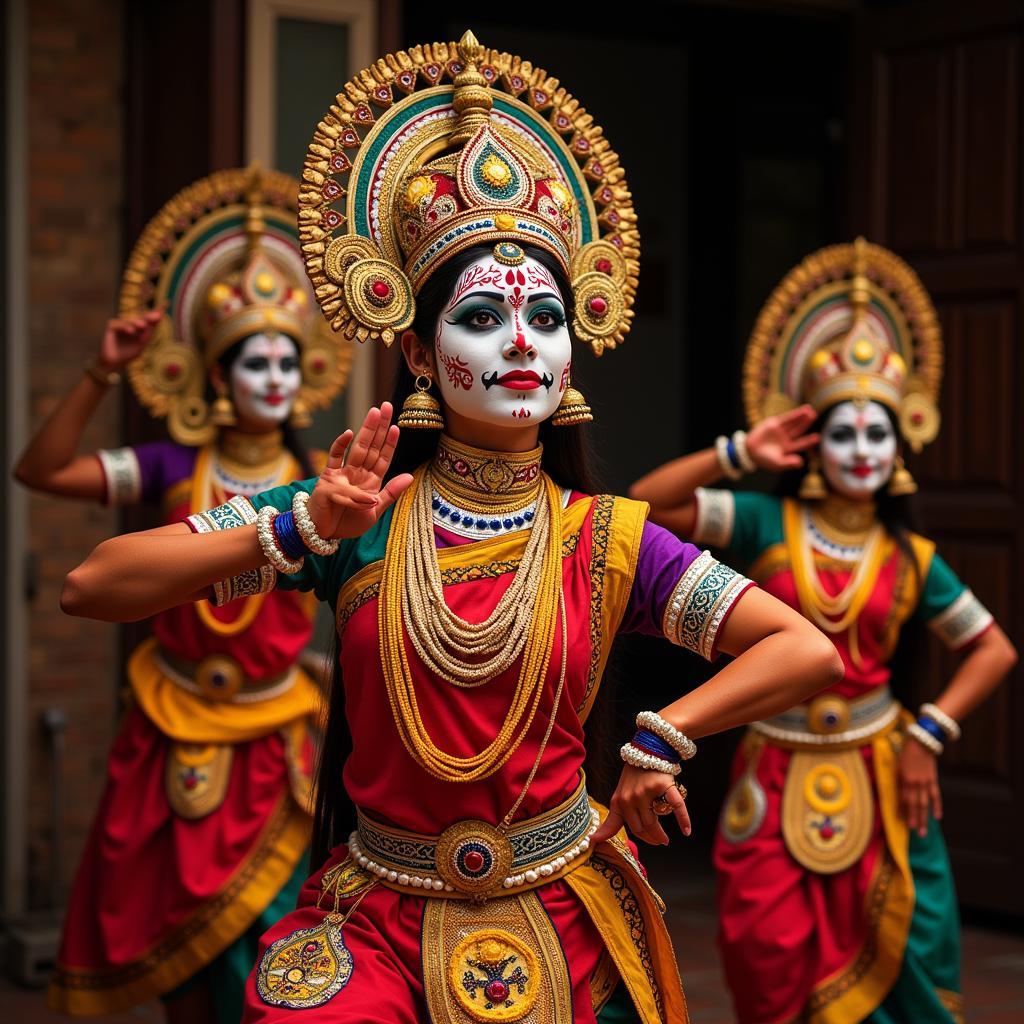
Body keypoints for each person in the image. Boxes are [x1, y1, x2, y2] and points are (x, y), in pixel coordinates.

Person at [59, 33, 842, 1024]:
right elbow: (94, 582)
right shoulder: (354, 514)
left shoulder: (606, 539)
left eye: (547, 319)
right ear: (420, 353)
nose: (522, 340)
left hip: (559, 906)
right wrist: (294, 526)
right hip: (382, 913)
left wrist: (663, 737)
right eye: (481, 317)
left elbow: (803, 647)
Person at [630, 238, 1017, 1024]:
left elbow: (993, 647)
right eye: (844, 434)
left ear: (902, 443)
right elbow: (650, 502)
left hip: (881, 771)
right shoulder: (766, 520)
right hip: (774, 770)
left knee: (902, 954)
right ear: (814, 445)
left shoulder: (911, 557)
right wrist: (740, 450)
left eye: (879, 436)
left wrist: (930, 733)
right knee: (767, 953)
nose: (863, 452)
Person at [16, 166, 353, 1022]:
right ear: (214, 373)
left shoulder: (321, 486)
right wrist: (98, 372)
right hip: (172, 729)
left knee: (275, 944)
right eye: (252, 359)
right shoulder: (170, 468)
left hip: (281, 735)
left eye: (286, 359)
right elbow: (41, 470)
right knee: (179, 956)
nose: (273, 377)